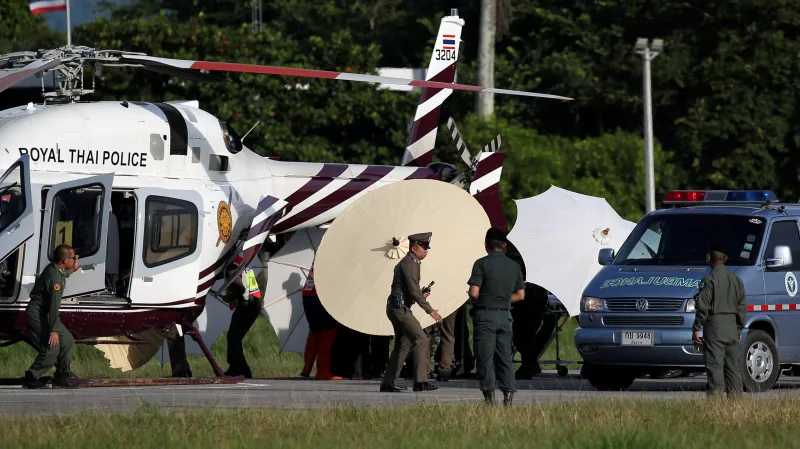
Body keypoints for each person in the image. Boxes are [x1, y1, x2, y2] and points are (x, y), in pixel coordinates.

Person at [468, 228, 526, 405]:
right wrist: (503, 301)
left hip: (485, 316)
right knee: (505, 357)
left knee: (485, 357)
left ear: (487, 246)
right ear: (504, 246)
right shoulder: (514, 266)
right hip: (505, 317)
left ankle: (489, 397)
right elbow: (521, 295)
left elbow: (473, 292)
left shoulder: (481, 264)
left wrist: (484, 298)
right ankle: (508, 396)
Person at [380, 232, 443, 392]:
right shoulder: (410, 263)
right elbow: (413, 290)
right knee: (421, 338)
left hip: (398, 307)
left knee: (403, 344)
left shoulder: (411, 262)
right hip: (400, 309)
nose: (426, 251)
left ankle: (388, 383)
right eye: (424, 248)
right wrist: (430, 310)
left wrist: (420, 295)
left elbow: (411, 291)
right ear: (414, 249)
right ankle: (420, 381)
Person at [692, 244, 747, 397]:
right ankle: (736, 400)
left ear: (709, 258)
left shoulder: (709, 280)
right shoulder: (736, 280)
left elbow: (703, 307)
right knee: (732, 367)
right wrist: (738, 328)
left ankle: (715, 399)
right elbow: (742, 306)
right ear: (726, 258)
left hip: (715, 327)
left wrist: (697, 328)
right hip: (731, 327)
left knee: (715, 366)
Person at [23, 244, 81, 389]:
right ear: (64, 260)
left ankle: (62, 377)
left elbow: (62, 274)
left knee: (68, 341)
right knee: (52, 347)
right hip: (38, 314)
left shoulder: (56, 270)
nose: (75, 260)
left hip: (45, 313)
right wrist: (54, 330)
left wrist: (71, 271)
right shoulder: (55, 279)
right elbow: (53, 307)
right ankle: (32, 376)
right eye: (73, 258)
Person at [223, 256, 264, 378]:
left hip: (247, 304)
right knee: (234, 337)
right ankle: (236, 368)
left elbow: (240, 288)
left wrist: (229, 297)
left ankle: (241, 369)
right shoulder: (241, 260)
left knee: (233, 338)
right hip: (253, 302)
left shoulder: (231, 267)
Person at [301, 260, 342, 380]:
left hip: (308, 294)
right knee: (329, 333)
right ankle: (324, 372)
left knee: (315, 332)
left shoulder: (320, 254)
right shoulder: (332, 255)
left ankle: (307, 368)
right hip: (321, 296)